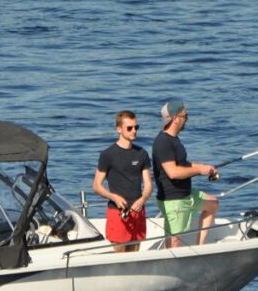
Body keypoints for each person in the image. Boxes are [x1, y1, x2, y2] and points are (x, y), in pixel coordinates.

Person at [152, 99, 218, 247]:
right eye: (185, 116)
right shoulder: (163, 142)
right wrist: (199, 170)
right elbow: (173, 172)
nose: (186, 119)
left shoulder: (174, 140)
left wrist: (204, 167)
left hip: (186, 194)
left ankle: (200, 247)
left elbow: (183, 164)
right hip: (174, 200)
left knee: (213, 204)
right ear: (175, 118)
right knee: (174, 243)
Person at [93, 111, 152, 252]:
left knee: (135, 255)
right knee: (120, 255)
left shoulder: (142, 153)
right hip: (118, 212)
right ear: (119, 129)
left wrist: (142, 199)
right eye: (129, 128)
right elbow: (96, 186)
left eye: (136, 127)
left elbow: (148, 184)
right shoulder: (107, 155)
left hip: (138, 211)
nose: (134, 131)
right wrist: (114, 197)